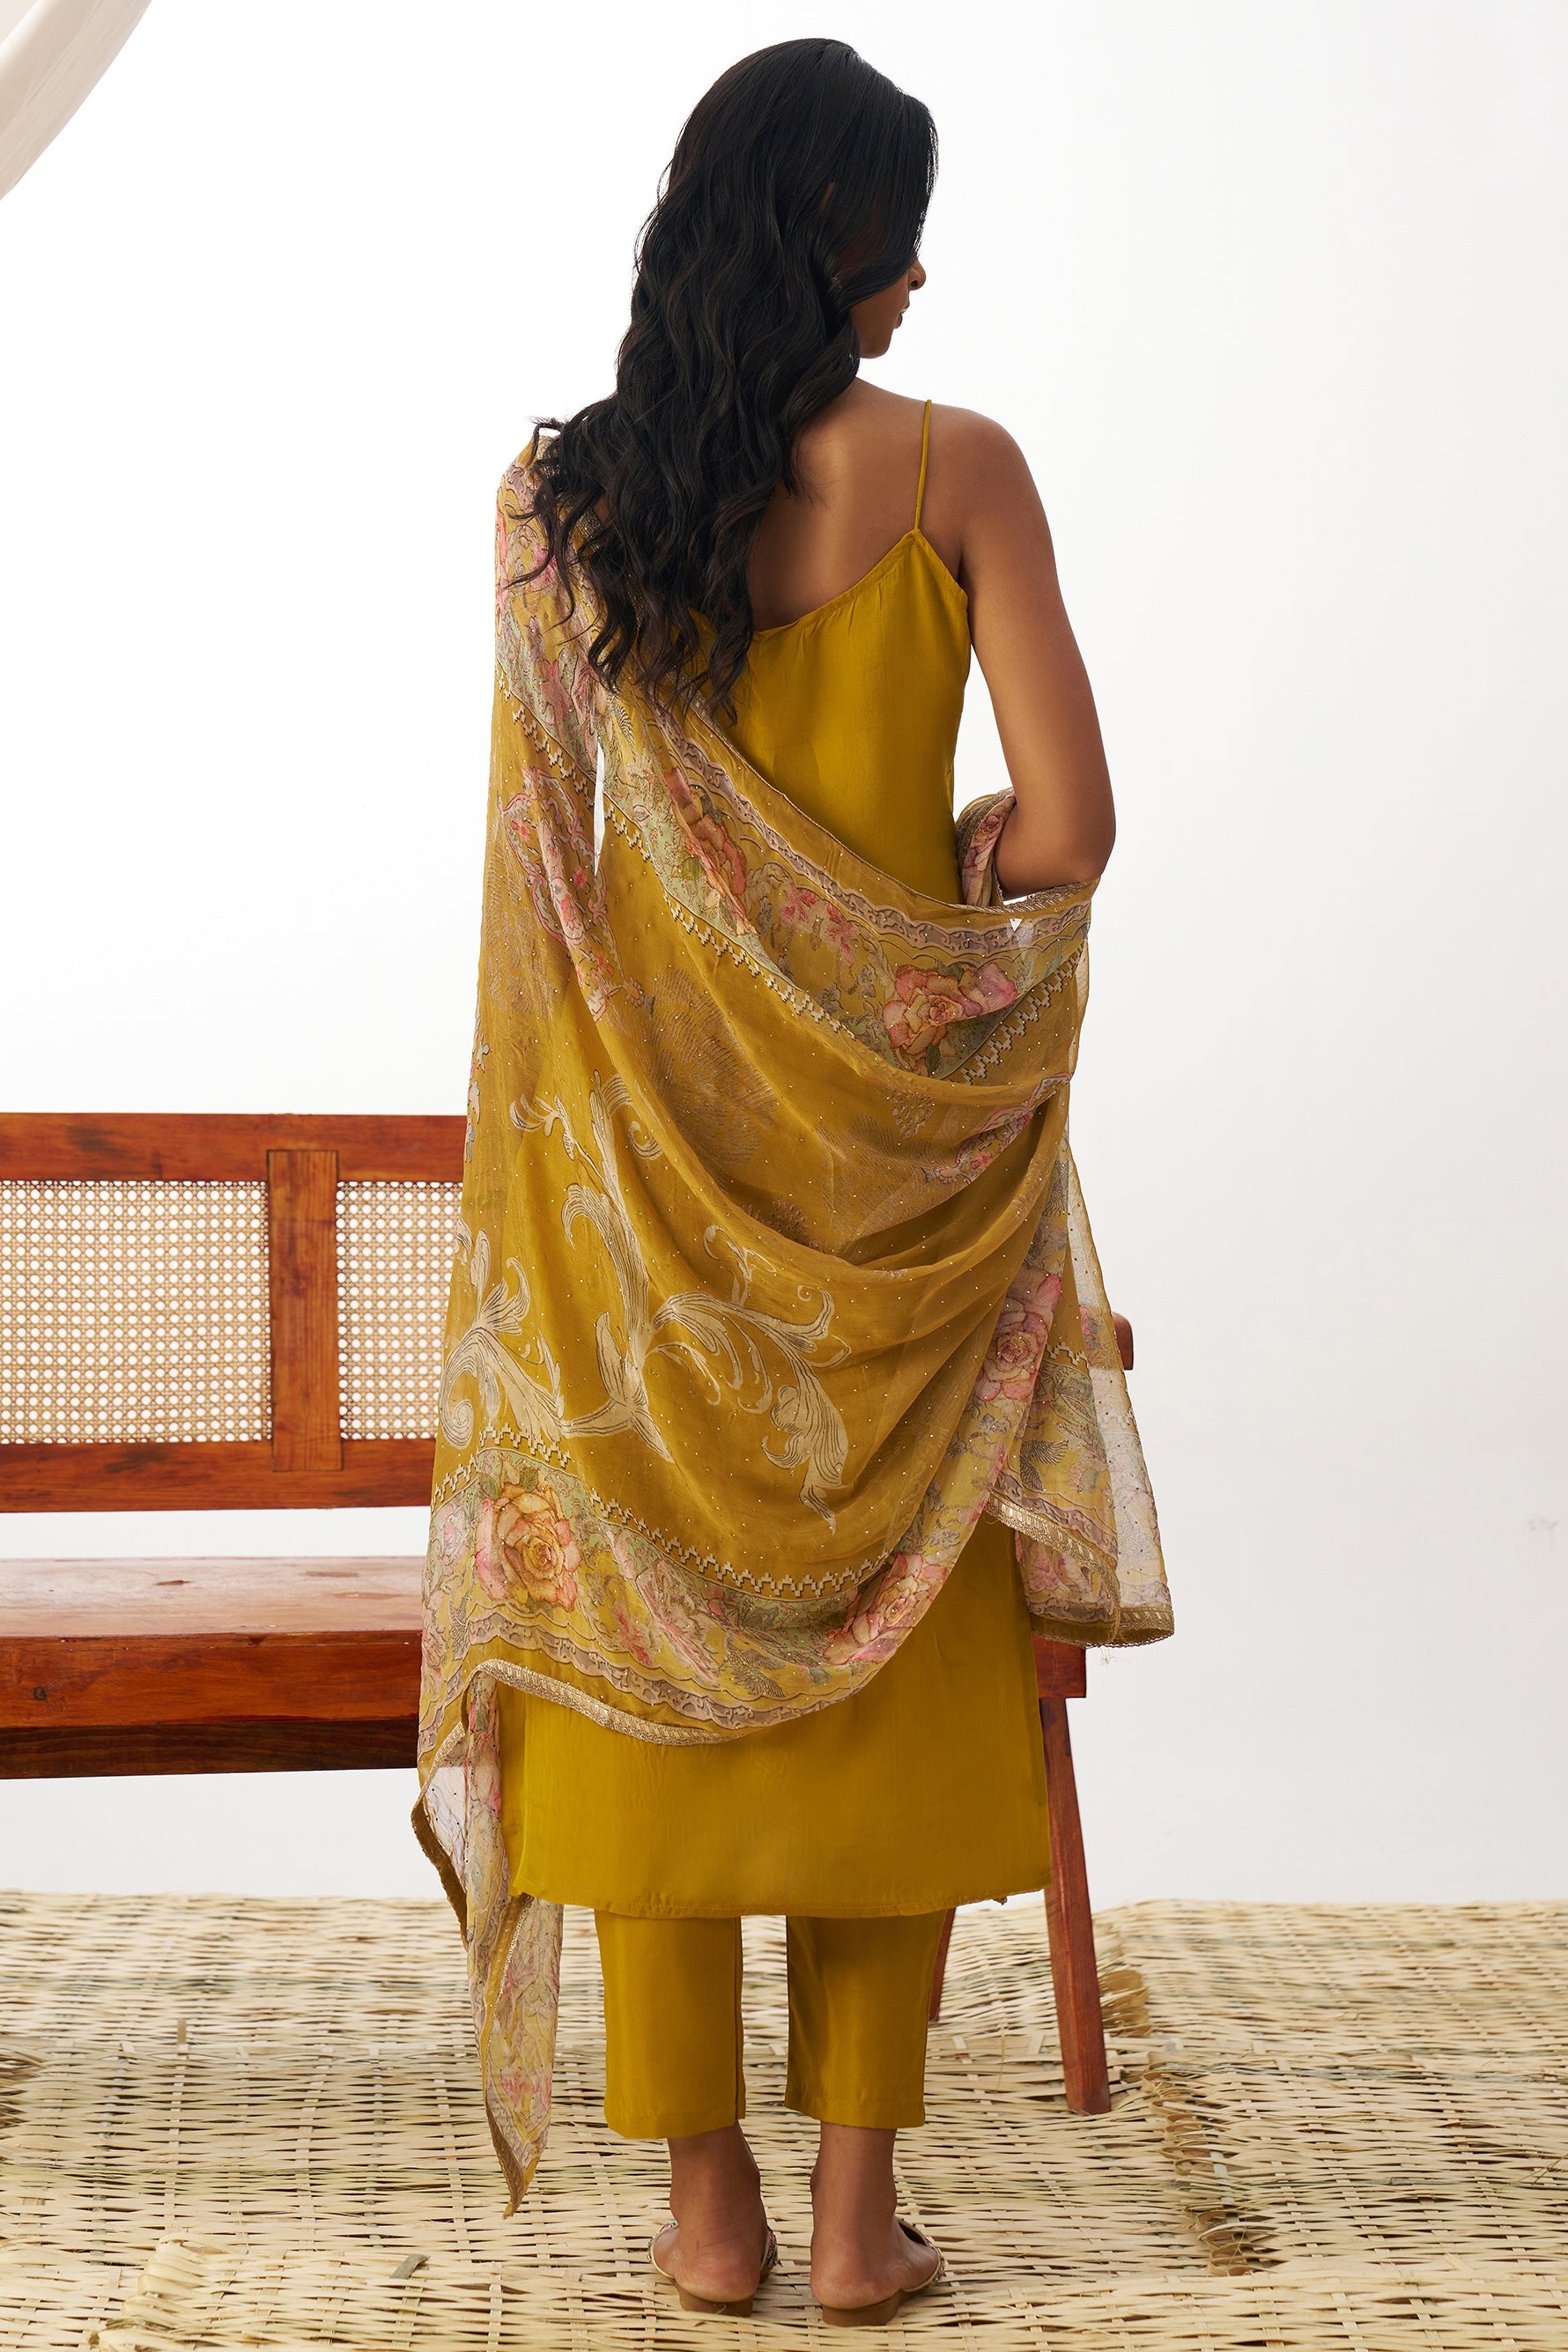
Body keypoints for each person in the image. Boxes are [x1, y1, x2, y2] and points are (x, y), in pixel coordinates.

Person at [415, 35, 1169, 2328]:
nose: (918, 283)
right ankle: (857, 2223)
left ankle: (704, 2213)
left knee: (648, 1664)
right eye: (899, 241)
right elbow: (1069, 830)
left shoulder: (561, 508)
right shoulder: (958, 473)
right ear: (843, 247)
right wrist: (949, 871)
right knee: (879, 1662)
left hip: (638, 1212)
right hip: (891, 1217)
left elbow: (550, 899)